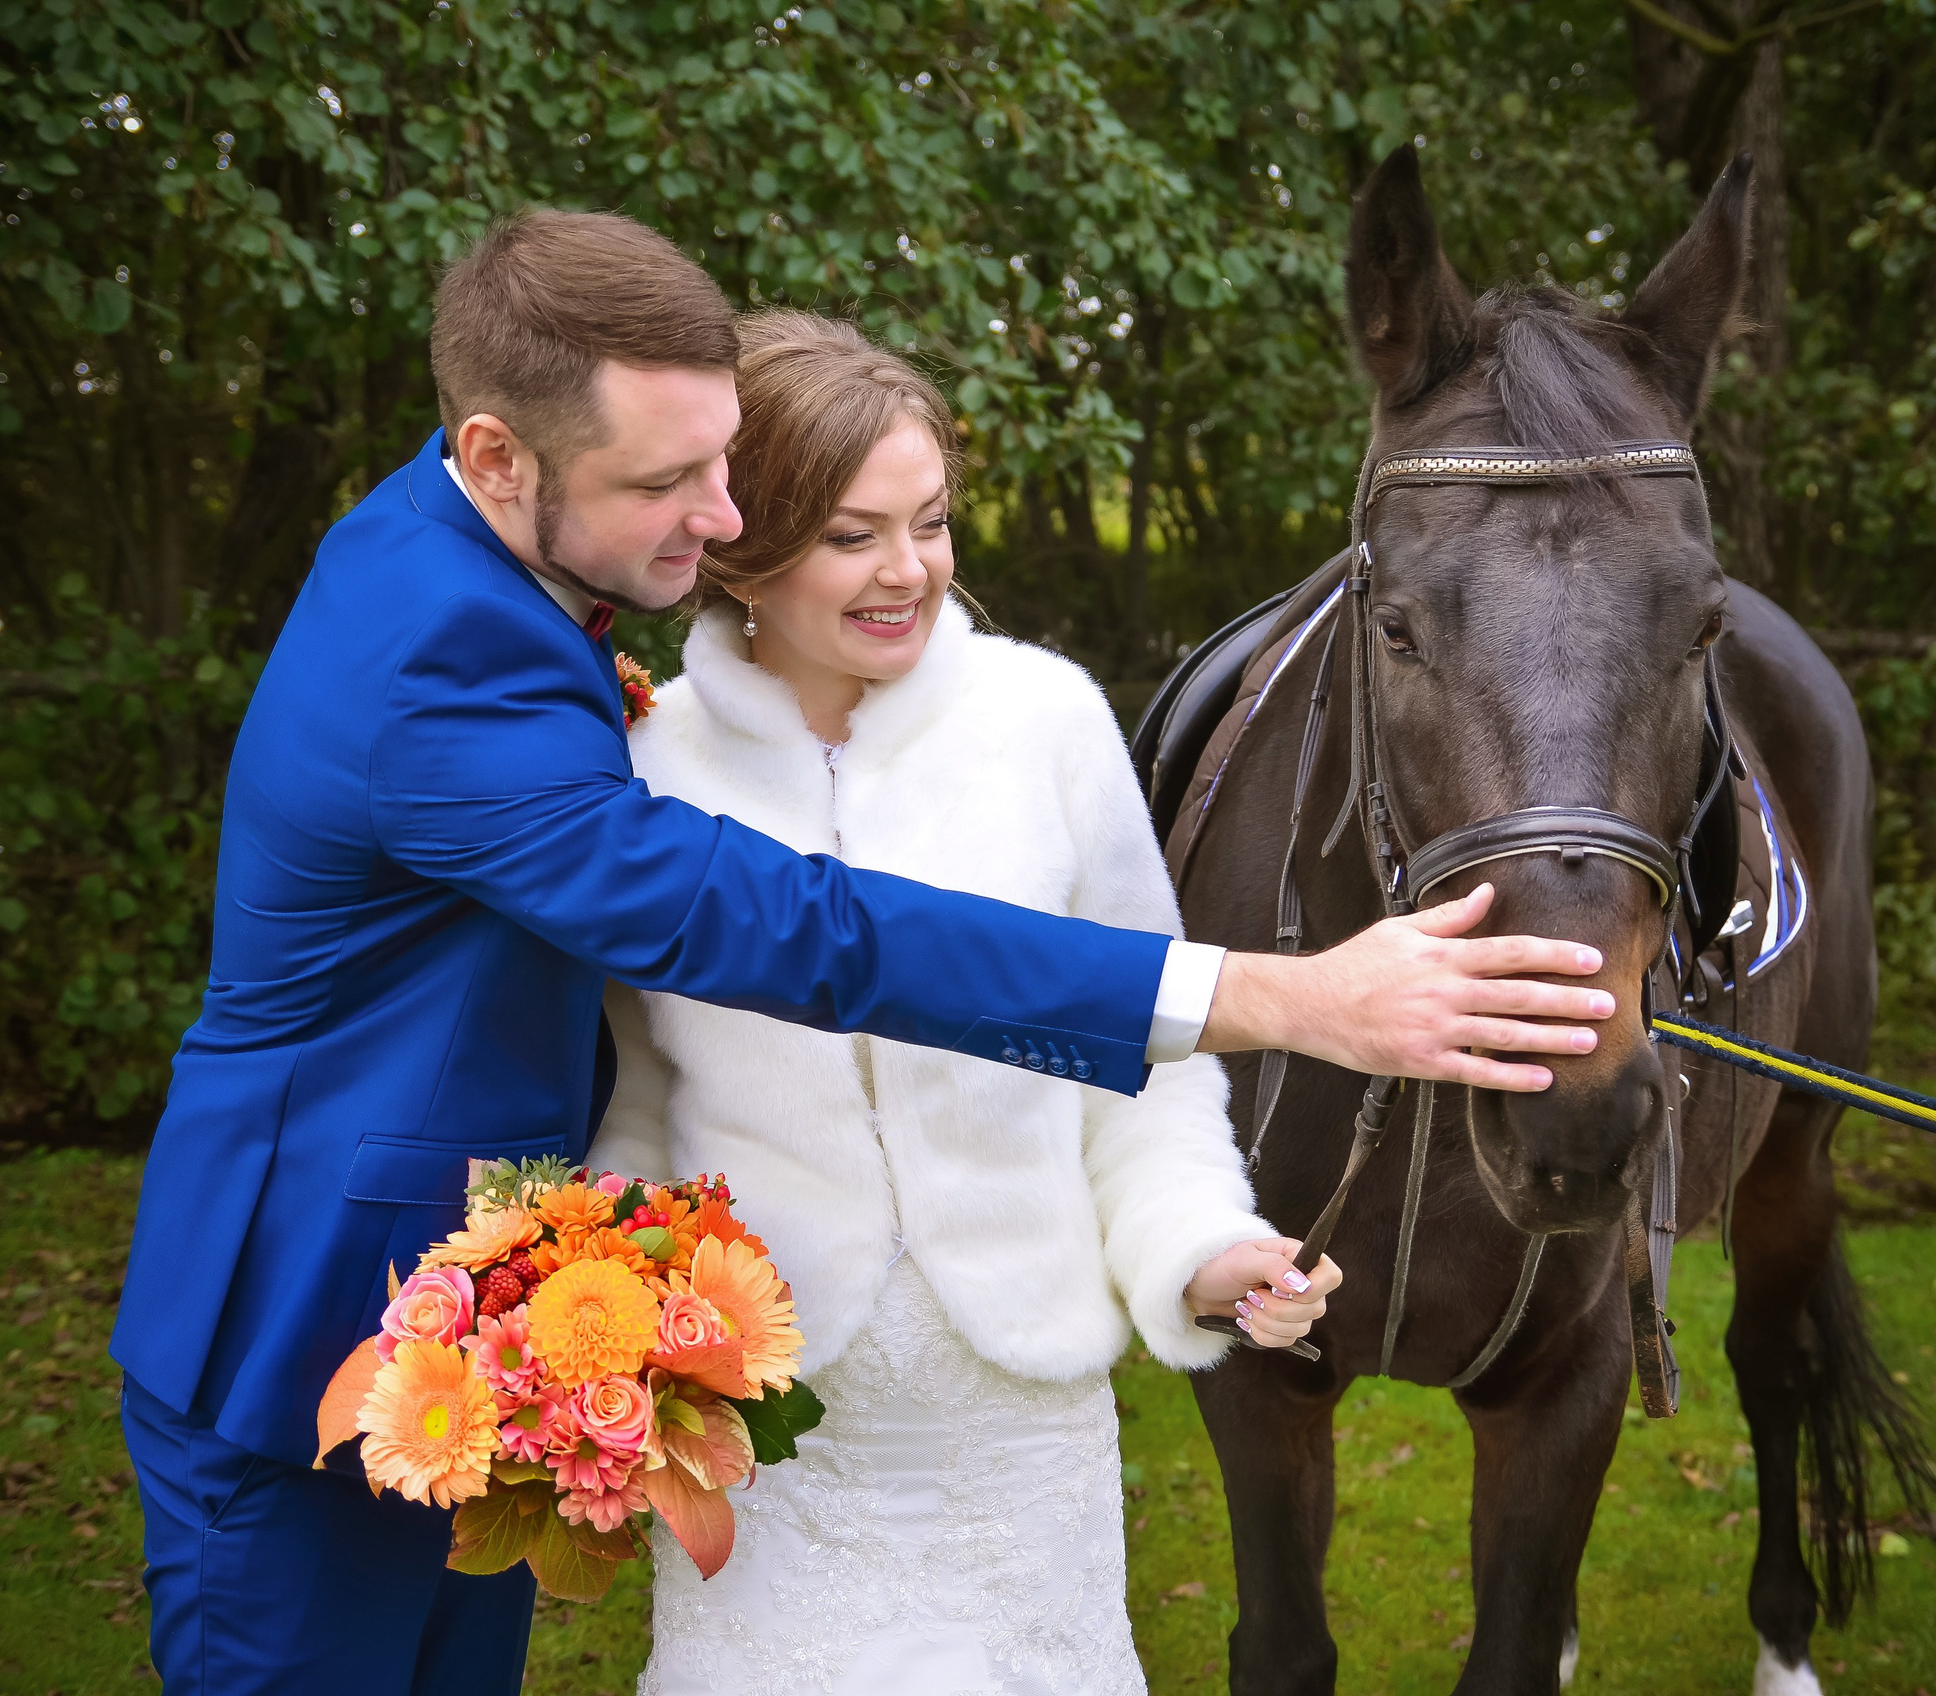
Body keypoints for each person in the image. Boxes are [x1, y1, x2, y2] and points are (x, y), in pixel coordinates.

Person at [108, 209, 1616, 1696]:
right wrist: (1281, 995)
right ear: (499, 455)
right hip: (314, 1316)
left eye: (725, 467)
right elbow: (770, 927)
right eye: (673, 481)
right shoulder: (445, 651)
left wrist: (1191, 1245)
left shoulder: (500, 570)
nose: (715, 517)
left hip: (520, 1350)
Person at [585, 311, 1318, 1693]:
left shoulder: (1048, 724)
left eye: (932, 523)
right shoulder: (642, 769)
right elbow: (632, 1101)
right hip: (772, 1425)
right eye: (857, 535)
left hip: (1018, 1422)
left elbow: (1146, 1059)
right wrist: (615, 1336)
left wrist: (1206, 1250)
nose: (910, 570)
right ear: (744, 544)